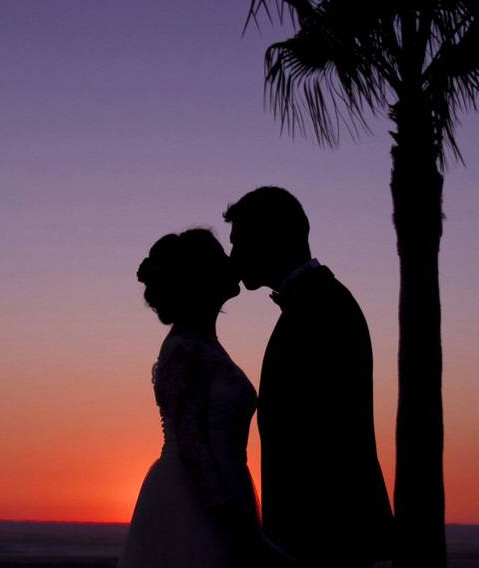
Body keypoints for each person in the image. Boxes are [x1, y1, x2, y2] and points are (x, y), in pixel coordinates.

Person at [224, 186, 395, 567]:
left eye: (239, 243)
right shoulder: (316, 302)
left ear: (271, 238)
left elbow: (326, 433)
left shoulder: (323, 308)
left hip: (331, 538)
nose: (233, 257)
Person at [119, 228, 263, 568]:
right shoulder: (184, 350)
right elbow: (191, 446)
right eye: (219, 258)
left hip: (225, 487)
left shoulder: (203, 343)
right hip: (197, 503)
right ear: (202, 278)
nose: (231, 262)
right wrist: (228, 519)